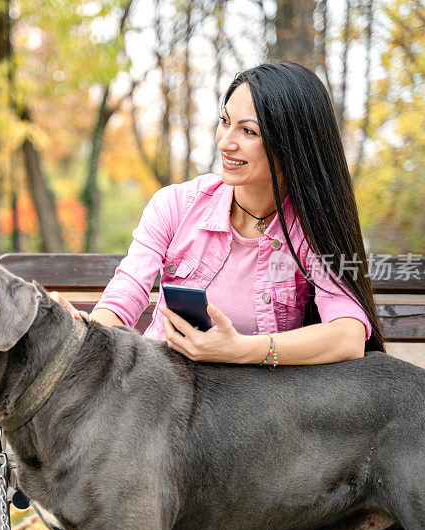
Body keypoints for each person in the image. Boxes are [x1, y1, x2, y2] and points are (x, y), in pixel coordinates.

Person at [52, 61, 385, 366]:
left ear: (292, 145)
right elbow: (127, 292)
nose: (226, 142)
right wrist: (86, 335)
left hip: (248, 410)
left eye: (248, 131)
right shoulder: (176, 205)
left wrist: (243, 349)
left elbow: (348, 336)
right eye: (225, 122)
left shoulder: (309, 228)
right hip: (161, 394)